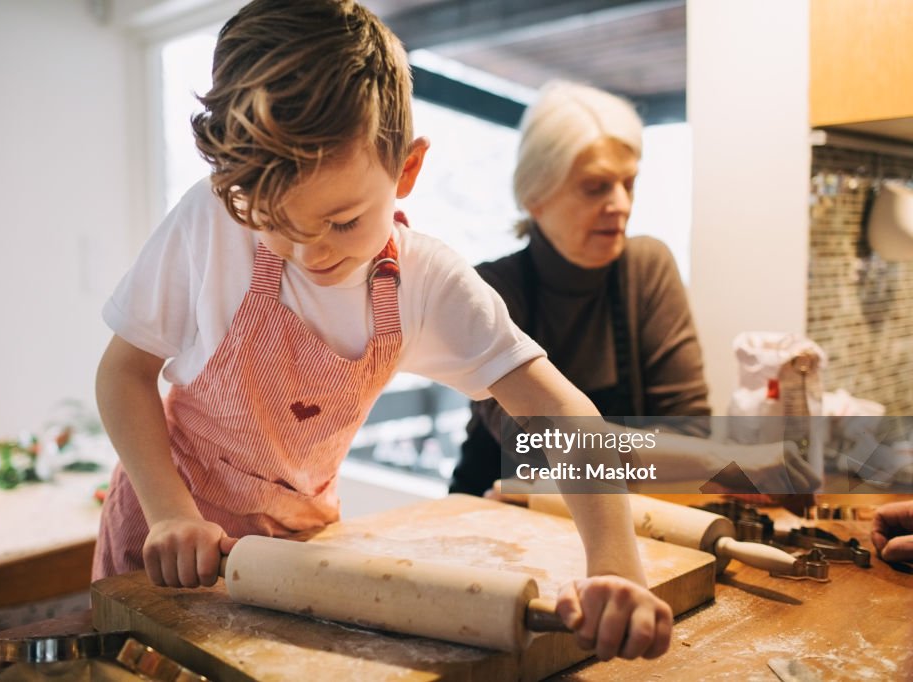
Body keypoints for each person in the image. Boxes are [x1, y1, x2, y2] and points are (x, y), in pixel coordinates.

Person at [93, 0, 671, 661]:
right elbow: (124, 373)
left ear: (407, 170)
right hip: (164, 539)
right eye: (275, 222)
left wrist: (617, 568)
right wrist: (170, 512)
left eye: (341, 222)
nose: (311, 253)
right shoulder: (211, 222)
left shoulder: (427, 284)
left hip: (296, 551)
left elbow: (563, 413)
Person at [451, 81, 713, 497]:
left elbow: (693, 433)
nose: (621, 204)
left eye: (629, 184)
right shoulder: (489, 290)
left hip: (632, 514)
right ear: (536, 195)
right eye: (596, 186)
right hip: (499, 516)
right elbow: (533, 447)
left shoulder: (647, 269)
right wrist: (662, 453)